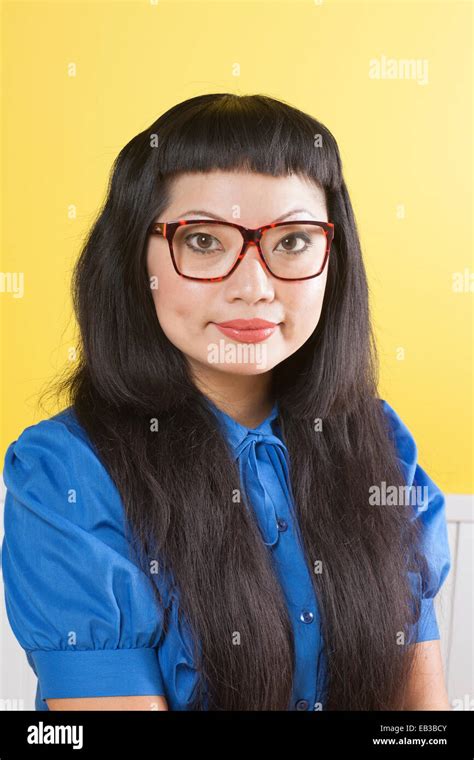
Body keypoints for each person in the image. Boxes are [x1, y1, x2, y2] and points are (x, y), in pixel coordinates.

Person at [1, 93, 451, 711]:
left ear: (333, 259)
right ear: (136, 261)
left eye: (292, 241)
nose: (253, 287)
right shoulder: (65, 473)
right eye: (205, 241)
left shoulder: (378, 440)